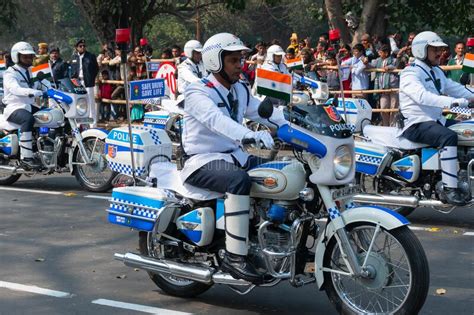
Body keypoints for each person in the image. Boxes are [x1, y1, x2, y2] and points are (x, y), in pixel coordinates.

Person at [181, 32, 287, 283]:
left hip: (235, 157)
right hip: (203, 160)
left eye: (241, 59)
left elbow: (265, 113)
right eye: (233, 60)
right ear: (215, 62)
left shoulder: (239, 89)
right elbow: (216, 121)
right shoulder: (198, 91)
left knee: (283, 171)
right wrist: (249, 135)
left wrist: (301, 126)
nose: (241, 65)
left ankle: (268, 236)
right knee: (238, 180)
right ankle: (234, 256)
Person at [398, 31, 474, 206]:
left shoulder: (436, 71)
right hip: (416, 122)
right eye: (435, 50)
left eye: (440, 50)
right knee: (448, 136)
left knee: (469, 126)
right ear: (421, 51)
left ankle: (463, 170)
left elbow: (456, 88)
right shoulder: (410, 73)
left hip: (437, 118)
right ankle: (449, 189)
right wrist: (457, 102)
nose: (439, 54)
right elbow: (423, 97)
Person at [2, 42, 49, 170]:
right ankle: (26, 158)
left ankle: (45, 150)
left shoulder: (31, 72)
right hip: (14, 107)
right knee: (27, 119)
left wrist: (54, 89)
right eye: (25, 56)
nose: (29, 58)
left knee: (49, 115)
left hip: (28, 105)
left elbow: (43, 83)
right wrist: (32, 92)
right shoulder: (10, 73)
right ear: (16, 56)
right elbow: (15, 89)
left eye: (30, 56)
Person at [70, 39, 99, 127]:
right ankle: (81, 123)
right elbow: (72, 70)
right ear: (76, 48)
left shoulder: (90, 56)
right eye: (80, 46)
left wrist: (91, 77)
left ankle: (93, 124)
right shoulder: (74, 57)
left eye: (84, 46)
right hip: (77, 82)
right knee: (79, 102)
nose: (82, 47)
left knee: (90, 102)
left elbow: (96, 69)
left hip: (88, 82)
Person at [371, 44, 399, 126]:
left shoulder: (394, 60)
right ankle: (386, 125)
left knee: (393, 108)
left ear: (386, 53)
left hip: (393, 87)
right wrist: (365, 63)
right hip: (382, 88)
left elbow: (396, 67)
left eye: (381, 52)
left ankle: (392, 126)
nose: (379, 54)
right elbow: (371, 66)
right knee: (383, 108)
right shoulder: (377, 61)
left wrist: (390, 67)